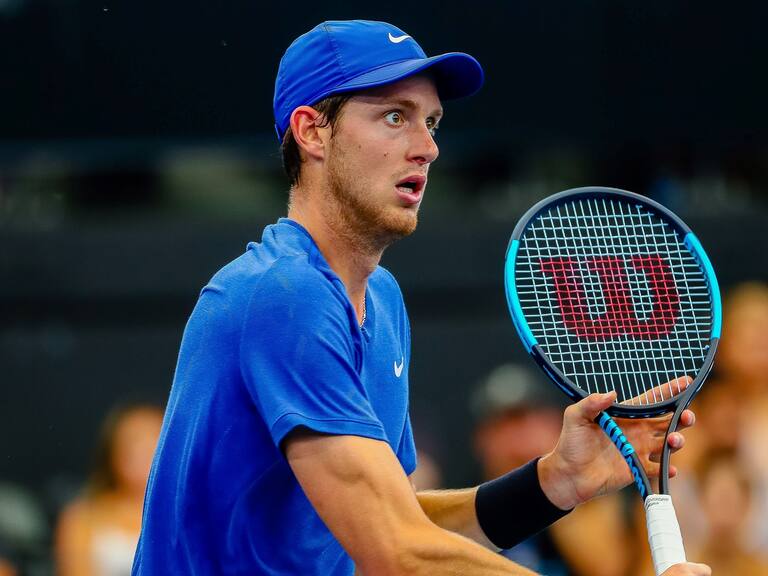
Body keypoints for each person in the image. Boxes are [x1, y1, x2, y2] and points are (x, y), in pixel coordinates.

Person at [133, 20, 709, 575]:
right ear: (312, 132)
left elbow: (394, 527)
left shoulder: (380, 300)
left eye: (431, 123)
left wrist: (555, 481)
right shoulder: (283, 296)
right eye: (393, 117)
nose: (426, 148)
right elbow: (397, 553)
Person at [471, 364, 630, 576]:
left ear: (555, 425)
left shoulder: (595, 495)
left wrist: (555, 481)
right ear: (482, 440)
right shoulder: (468, 504)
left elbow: (608, 570)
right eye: (504, 425)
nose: (520, 438)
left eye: (528, 421)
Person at [56, 404, 163, 576]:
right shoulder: (83, 516)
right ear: (112, 449)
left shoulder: (185, 516)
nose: (144, 450)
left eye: (154, 438)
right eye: (134, 440)